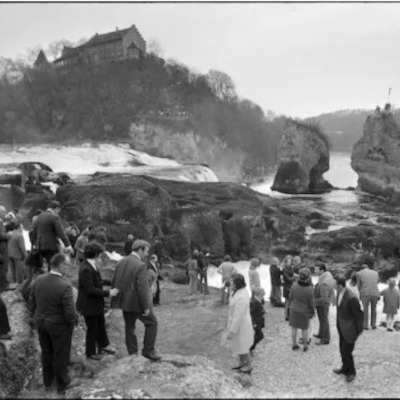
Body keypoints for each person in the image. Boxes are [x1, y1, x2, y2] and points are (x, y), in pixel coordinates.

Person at [29, 253, 77, 395]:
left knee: (46, 352)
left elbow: (32, 301)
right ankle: (63, 384)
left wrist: (35, 317)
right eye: (68, 265)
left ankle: (47, 381)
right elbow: (69, 311)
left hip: (41, 322)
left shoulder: (38, 279)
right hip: (59, 324)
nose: (69, 269)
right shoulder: (65, 285)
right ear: (61, 265)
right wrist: (72, 323)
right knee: (61, 354)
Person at [111, 239, 161, 361]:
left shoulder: (121, 262)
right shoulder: (140, 265)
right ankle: (148, 351)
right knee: (152, 323)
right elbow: (142, 289)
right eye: (146, 251)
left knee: (129, 327)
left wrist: (116, 300)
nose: (147, 254)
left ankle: (132, 353)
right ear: (140, 250)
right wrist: (146, 307)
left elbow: (115, 281)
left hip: (124, 302)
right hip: (136, 303)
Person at [76, 241, 117, 360]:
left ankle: (103, 345)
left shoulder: (91, 265)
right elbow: (90, 289)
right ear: (96, 255)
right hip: (88, 305)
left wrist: (108, 283)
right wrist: (109, 293)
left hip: (95, 304)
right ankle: (91, 352)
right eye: (100, 254)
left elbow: (96, 280)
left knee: (100, 324)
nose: (101, 256)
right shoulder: (85, 268)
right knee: (92, 328)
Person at [333, 274, 364, 383]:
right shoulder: (338, 293)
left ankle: (351, 372)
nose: (332, 285)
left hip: (350, 329)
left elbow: (359, 315)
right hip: (341, 327)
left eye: (334, 283)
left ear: (340, 285)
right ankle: (344, 368)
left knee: (347, 351)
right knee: (342, 349)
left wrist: (359, 330)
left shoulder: (352, 298)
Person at [225, 273, 253, 373]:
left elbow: (238, 316)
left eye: (232, 282)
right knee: (239, 345)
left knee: (243, 346)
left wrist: (231, 331)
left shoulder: (241, 296)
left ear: (237, 284)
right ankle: (241, 363)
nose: (230, 284)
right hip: (238, 324)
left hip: (241, 325)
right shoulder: (237, 291)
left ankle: (249, 365)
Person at [32, 200, 73, 270]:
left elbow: (34, 232)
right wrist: (68, 245)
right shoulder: (54, 217)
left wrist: (35, 244)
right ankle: (53, 279)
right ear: (57, 208)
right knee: (55, 265)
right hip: (51, 246)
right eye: (58, 210)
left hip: (40, 246)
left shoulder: (39, 217)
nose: (58, 212)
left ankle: (46, 277)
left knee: (47, 264)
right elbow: (61, 232)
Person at [289, 268, 315, 352]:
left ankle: (294, 344)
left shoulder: (294, 285)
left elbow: (291, 297)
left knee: (294, 327)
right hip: (304, 311)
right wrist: (312, 311)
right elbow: (311, 303)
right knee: (304, 328)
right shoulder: (310, 289)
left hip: (294, 308)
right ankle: (305, 345)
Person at [314, 263, 335, 345]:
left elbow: (324, 297)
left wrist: (314, 301)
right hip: (324, 302)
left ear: (321, 270)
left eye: (316, 269)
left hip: (323, 303)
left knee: (324, 320)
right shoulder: (327, 276)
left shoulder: (324, 282)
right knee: (322, 319)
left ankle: (325, 338)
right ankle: (321, 334)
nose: (314, 270)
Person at [356, 263, 380, 330]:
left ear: (361, 269)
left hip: (365, 292)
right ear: (368, 267)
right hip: (375, 292)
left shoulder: (359, 273)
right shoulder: (376, 273)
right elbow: (377, 281)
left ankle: (365, 325)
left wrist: (360, 294)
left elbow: (358, 285)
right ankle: (373, 325)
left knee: (365, 309)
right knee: (374, 309)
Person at [249, 287, 266, 356]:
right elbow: (251, 313)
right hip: (256, 322)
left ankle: (251, 348)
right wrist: (253, 323)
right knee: (260, 335)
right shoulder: (253, 302)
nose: (262, 297)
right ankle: (250, 347)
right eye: (262, 296)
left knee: (257, 335)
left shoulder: (258, 301)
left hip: (259, 320)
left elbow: (261, 307)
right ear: (258, 295)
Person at [282, 255, 295, 321]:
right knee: (287, 301)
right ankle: (286, 316)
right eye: (288, 261)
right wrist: (294, 277)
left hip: (290, 286)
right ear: (285, 261)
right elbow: (287, 278)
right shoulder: (284, 268)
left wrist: (294, 276)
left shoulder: (291, 268)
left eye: (290, 261)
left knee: (289, 301)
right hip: (287, 286)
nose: (289, 262)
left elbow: (291, 275)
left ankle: (288, 315)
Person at [0, 206, 10, 291]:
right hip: (2, 248)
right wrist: (9, 235)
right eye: (4, 212)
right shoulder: (0, 221)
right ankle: (4, 285)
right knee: (3, 267)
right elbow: (1, 235)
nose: (5, 214)